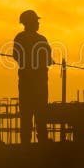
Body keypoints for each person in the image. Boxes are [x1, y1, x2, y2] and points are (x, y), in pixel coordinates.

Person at [13, 10, 51, 143]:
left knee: (26, 115)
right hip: (39, 84)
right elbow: (47, 60)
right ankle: (42, 142)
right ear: (30, 23)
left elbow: (16, 56)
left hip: (25, 84)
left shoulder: (19, 38)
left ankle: (25, 144)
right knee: (41, 115)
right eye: (36, 21)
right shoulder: (41, 39)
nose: (38, 23)